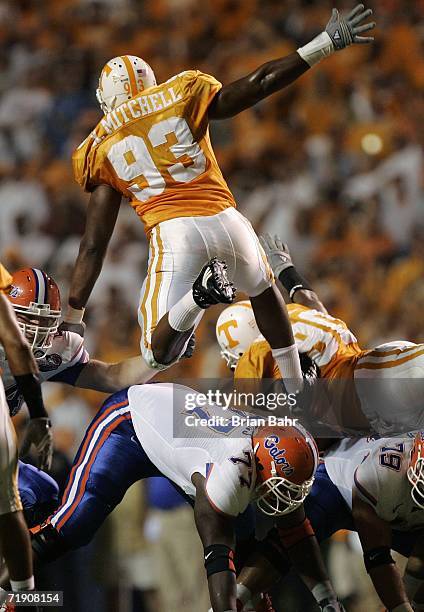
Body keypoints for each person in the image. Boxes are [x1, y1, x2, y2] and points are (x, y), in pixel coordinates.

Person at [62, 5, 375, 392]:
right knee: (263, 289)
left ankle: (198, 297)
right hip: (228, 220)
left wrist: (74, 314)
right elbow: (259, 83)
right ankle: (297, 390)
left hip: (175, 233)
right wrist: (323, 43)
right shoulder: (180, 92)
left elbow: (94, 245)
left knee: (155, 353)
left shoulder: (101, 143)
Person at [31, 382, 346, 612]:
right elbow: (218, 559)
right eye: (280, 487)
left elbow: (297, 531)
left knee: (252, 566)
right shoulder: (232, 471)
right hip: (130, 423)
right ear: (258, 466)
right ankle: (8, 592)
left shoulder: (271, 452)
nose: (283, 500)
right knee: (71, 527)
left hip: (186, 438)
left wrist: (327, 600)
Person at [216, 235, 424, 436]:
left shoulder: (254, 358)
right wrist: (285, 270)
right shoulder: (294, 313)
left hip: (375, 385)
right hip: (378, 378)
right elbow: (311, 302)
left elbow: (301, 425)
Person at [235, 434, 424, 612]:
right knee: (291, 537)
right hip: (339, 486)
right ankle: (235, 599)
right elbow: (378, 558)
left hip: (393, 504)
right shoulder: (381, 474)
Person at [2, 267, 175, 420]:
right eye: (28, 318)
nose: (36, 328)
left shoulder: (55, 351)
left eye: (44, 320)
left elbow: (113, 377)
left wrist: (160, 358)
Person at [0, 262, 52, 606]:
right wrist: (39, 415)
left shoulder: (62, 346)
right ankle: (22, 598)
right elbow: (17, 345)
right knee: (12, 504)